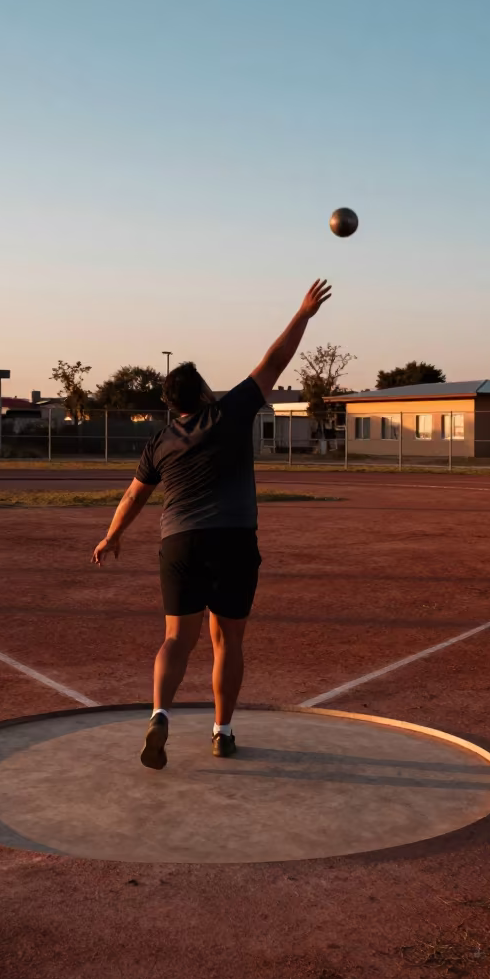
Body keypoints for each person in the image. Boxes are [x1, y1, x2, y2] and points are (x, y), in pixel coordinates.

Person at [91, 279, 332, 769]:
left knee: (177, 639)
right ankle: (222, 732)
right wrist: (303, 313)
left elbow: (134, 495)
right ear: (201, 392)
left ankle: (160, 713)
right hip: (234, 542)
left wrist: (111, 535)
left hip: (179, 543)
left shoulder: (158, 442)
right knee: (228, 639)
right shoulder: (230, 413)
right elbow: (275, 360)